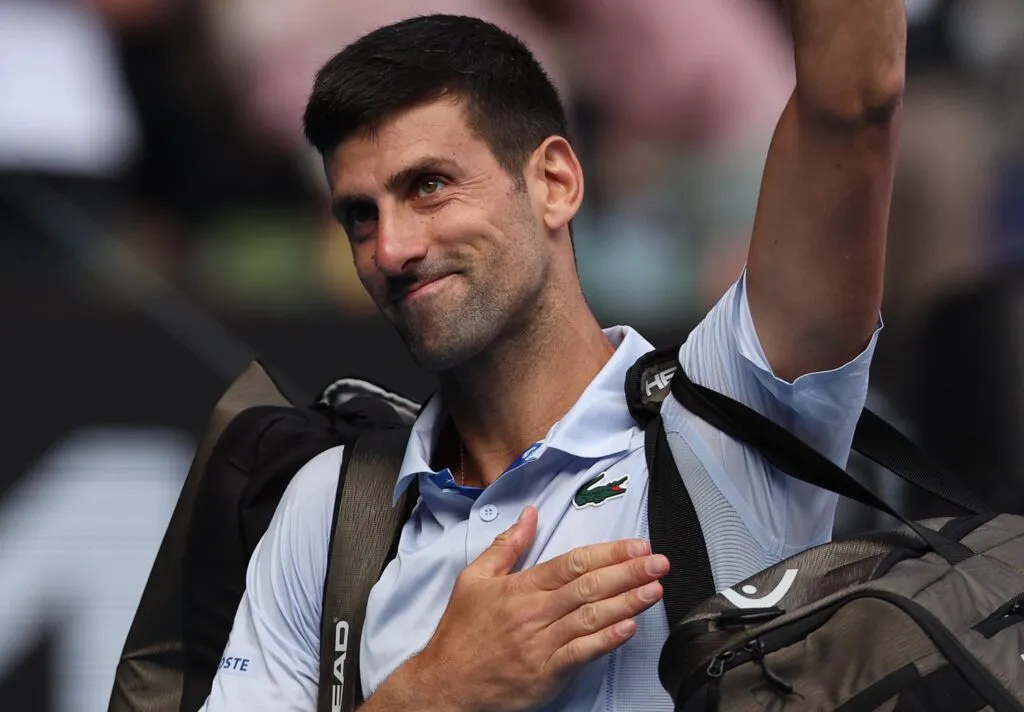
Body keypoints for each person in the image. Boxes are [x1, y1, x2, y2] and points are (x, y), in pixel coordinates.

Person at [200, 5, 905, 711]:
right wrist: (433, 695)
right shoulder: (327, 507)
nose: (390, 250)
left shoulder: (732, 412)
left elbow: (854, 98)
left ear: (556, 183)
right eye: (361, 214)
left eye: (428, 185)